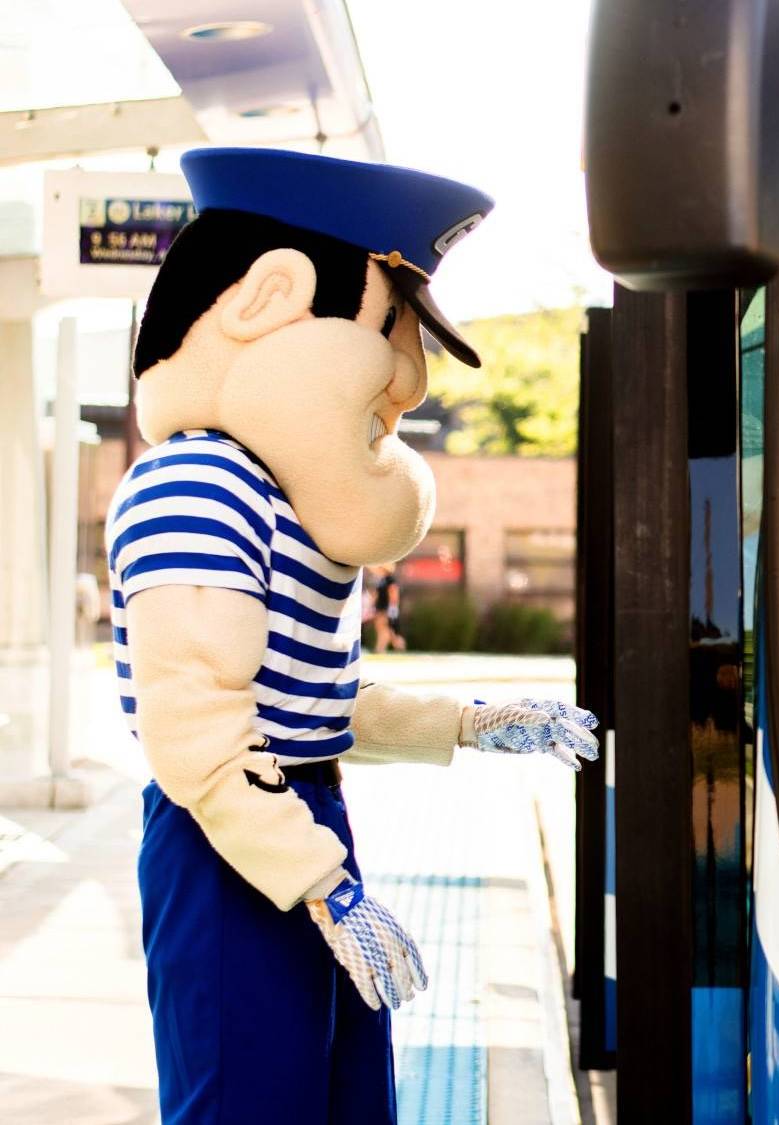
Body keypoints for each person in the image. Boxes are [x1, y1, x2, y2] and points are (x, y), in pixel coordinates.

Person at [111, 147, 601, 1124]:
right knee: (254, 1103)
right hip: (231, 850)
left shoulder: (265, 492)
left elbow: (305, 704)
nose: (406, 384)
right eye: (390, 329)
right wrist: (326, 892)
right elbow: (200, 738)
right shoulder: (195, 484)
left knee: (338, 1098)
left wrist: (471, 721)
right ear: (269, 301)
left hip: (291, 830)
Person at [371, 564, 405, 652]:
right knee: (384, 629)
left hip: (386, 608)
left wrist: (392, 609)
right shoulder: (382, 580)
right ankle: (396, 646)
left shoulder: (391, 580)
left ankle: (381, 648)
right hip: (379, 608)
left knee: (386, 628)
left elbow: (394, 595)